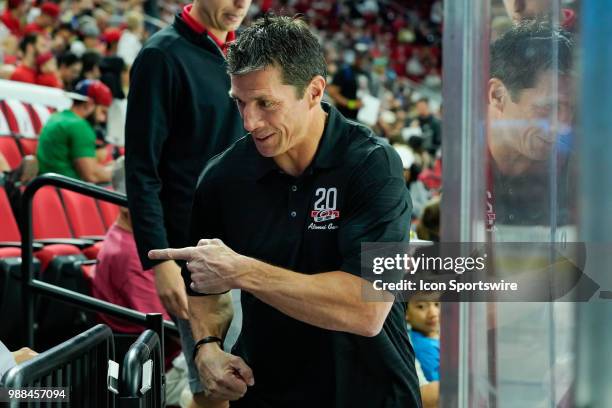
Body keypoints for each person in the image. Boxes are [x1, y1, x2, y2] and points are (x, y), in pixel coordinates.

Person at [149, 15, 422, 408]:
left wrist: (243, 270)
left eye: (266, 104)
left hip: (371, 391)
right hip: (268, 389)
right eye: (240, 102)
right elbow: (206, 289)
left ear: (313, 91)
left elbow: (367, 307)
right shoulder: (222, 178)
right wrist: (207, 347)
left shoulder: (372, 164)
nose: (249, 121)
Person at [124, 1, 251, 407]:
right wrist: (160, 262)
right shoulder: (161, 56)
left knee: (242, 382)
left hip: (250, 246)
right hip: (195, 258)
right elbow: (142, 170)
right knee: (216, 388)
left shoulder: (245, 53)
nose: (240, 3)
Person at [91, 157, 190, 406]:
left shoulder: (131, 242)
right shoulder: (130, 254)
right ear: (131, 202)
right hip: (159, 375)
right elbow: (174, 331)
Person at [487, 22, 573, 226]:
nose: (564, 126)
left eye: (572, 109)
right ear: (498, 95)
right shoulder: (460, 162)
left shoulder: (580, 171)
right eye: (549, 107)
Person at [37, 79, 113, 183]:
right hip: (66, 190)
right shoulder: (79, 126)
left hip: (49, 187)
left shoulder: (55, 117)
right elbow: (91, 176)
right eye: (102, 111)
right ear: (89, 104)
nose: (102, 119)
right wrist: (117, 172)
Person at [406, 294, 440, 382]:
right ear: (405, 313)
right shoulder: (424, 348)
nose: (433, 313)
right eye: (421, 306)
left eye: (437, 304)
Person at [327, 49, 369, 120]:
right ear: (356, 57)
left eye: (365, 58)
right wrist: (351, 104)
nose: (362, 60)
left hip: (359, 117)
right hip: (343, 116)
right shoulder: (345, 71)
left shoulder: (365, 74)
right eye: (360, 57)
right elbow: (332, 93)